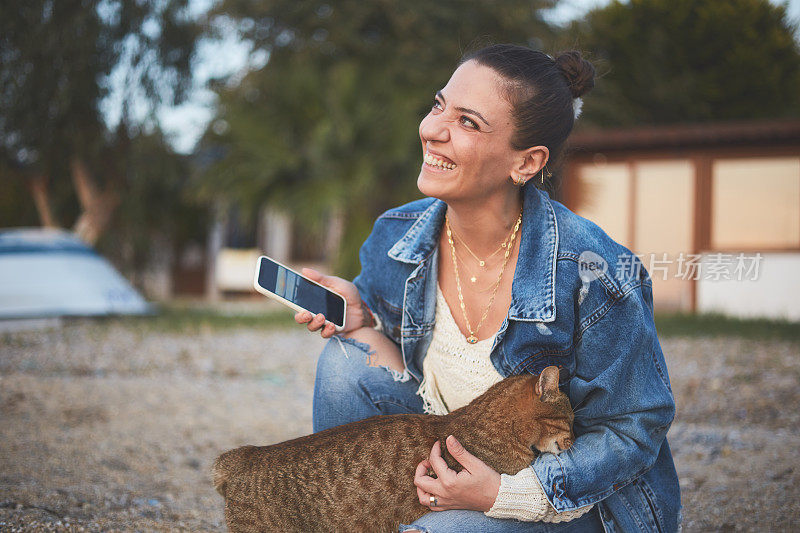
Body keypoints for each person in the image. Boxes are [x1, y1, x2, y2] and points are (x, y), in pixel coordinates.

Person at [295, 43, 680, 532]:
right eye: (438, 106)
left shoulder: (595, 271)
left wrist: (505, 494)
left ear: (526, 163)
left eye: (468, 122)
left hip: (564, 499)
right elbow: (393, 342)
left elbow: (633, 428)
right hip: (458, 456)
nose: (432, 130)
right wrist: (362, 316)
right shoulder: (398, 233)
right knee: (344, 363)